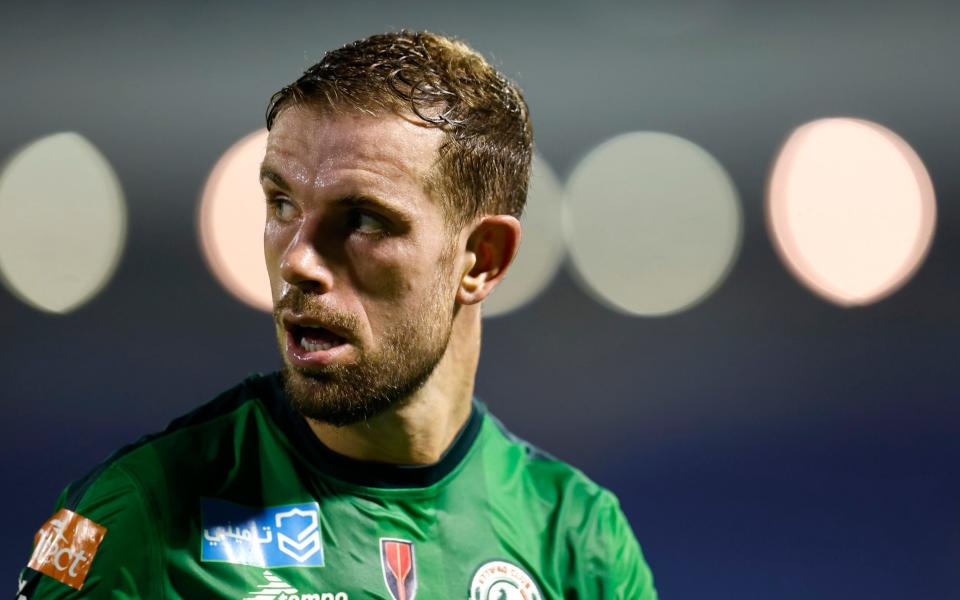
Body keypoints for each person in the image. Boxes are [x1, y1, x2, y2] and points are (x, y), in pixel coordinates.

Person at [18, 31, 657, 599]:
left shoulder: (577, 540)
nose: (298, 261)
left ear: (480, 260)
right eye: (283, 204)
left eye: (363, 220)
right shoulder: (140, 515)